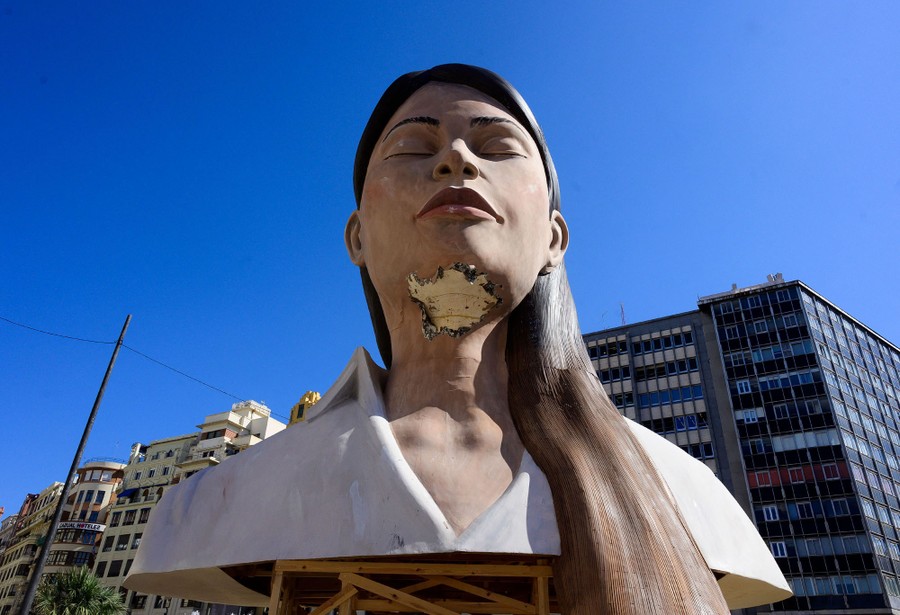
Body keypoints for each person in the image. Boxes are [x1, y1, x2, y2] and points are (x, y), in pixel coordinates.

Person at [126, 64, 790, 614]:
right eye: (415, 147)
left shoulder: (682, 495)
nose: (456, 158)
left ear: (554, 239)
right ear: (357, 236)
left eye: (496, 147)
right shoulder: (216, 502)